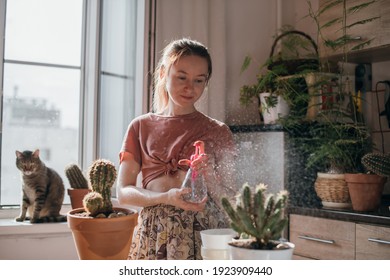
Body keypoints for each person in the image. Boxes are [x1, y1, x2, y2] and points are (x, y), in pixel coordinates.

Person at [117, 38, 237, 260]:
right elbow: (123, 193)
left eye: (199, 80)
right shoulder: (140, 126)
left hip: (205, 234)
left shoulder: (219, 131)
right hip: (154, 234)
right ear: (163, 73)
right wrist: (165, 197)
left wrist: (209, 176)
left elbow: (233, 203)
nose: (189, 87)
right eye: (182, 77)